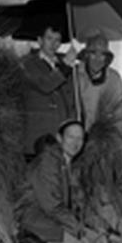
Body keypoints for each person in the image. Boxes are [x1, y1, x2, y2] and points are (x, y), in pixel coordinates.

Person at [15, 119, 88, 243]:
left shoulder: (66, 164)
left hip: (49, 218)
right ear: (59, 138)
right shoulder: (48, 161)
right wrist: (77, 228)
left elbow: (75, 201)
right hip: (34, 219)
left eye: (80, 138)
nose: (75, 142)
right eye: (71, 137)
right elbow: (51, 204)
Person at [21, 24, 77, 159]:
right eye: (49, 38)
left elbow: (71, 97)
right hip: (38, 135)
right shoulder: (27, 63)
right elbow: (45, 85)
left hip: (62, 136)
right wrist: (66, 66)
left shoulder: (64, 62)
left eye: (57, 40)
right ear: (40, 40)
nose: (54, 44)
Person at [76, 33, 122, 131]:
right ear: (86, 55)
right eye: (93, 53)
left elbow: (119, 111)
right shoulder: (74, 75)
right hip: (76, 133)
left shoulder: (114, 79)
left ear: (107, 57)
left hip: (103, 134)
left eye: (102, 54)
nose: (97, 59)